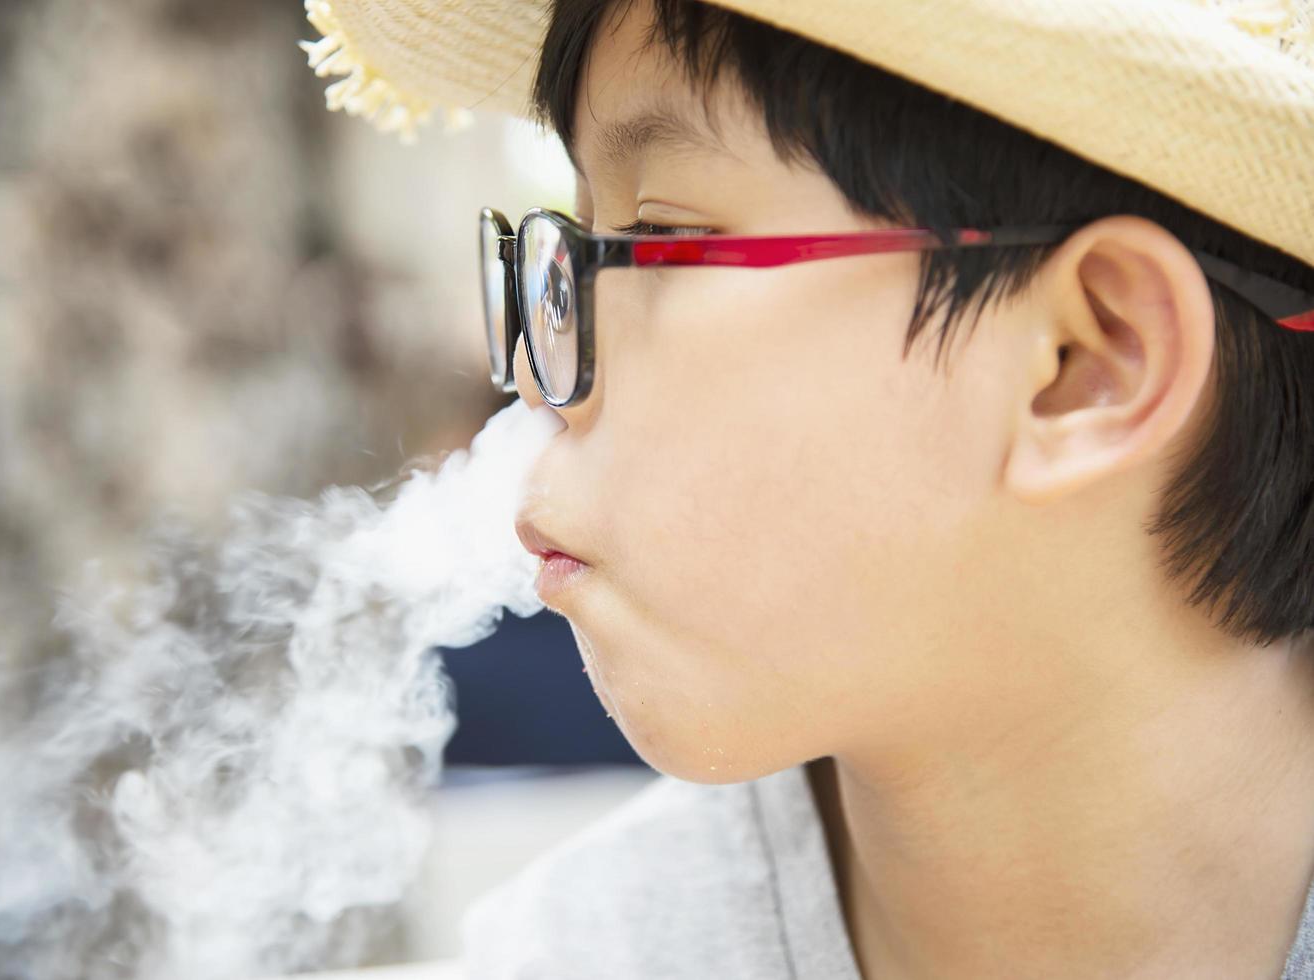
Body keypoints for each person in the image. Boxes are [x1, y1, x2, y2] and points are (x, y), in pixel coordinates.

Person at [304, 0, 1314, 976]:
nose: (539, 377)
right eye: (567, 246)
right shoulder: (581, 949)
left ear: (1086, 361)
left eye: (654, 238)